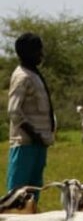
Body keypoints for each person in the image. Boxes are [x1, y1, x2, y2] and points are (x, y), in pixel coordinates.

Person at [7, 33, 56, 196]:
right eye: (38, 51)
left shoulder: (33, 74)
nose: (41, 55)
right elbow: (14, 110)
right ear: (27, 53)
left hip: (39, 142)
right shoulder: (22, 76)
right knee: (18, 191)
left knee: (34, 190)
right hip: (25, 143)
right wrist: (33, 134)